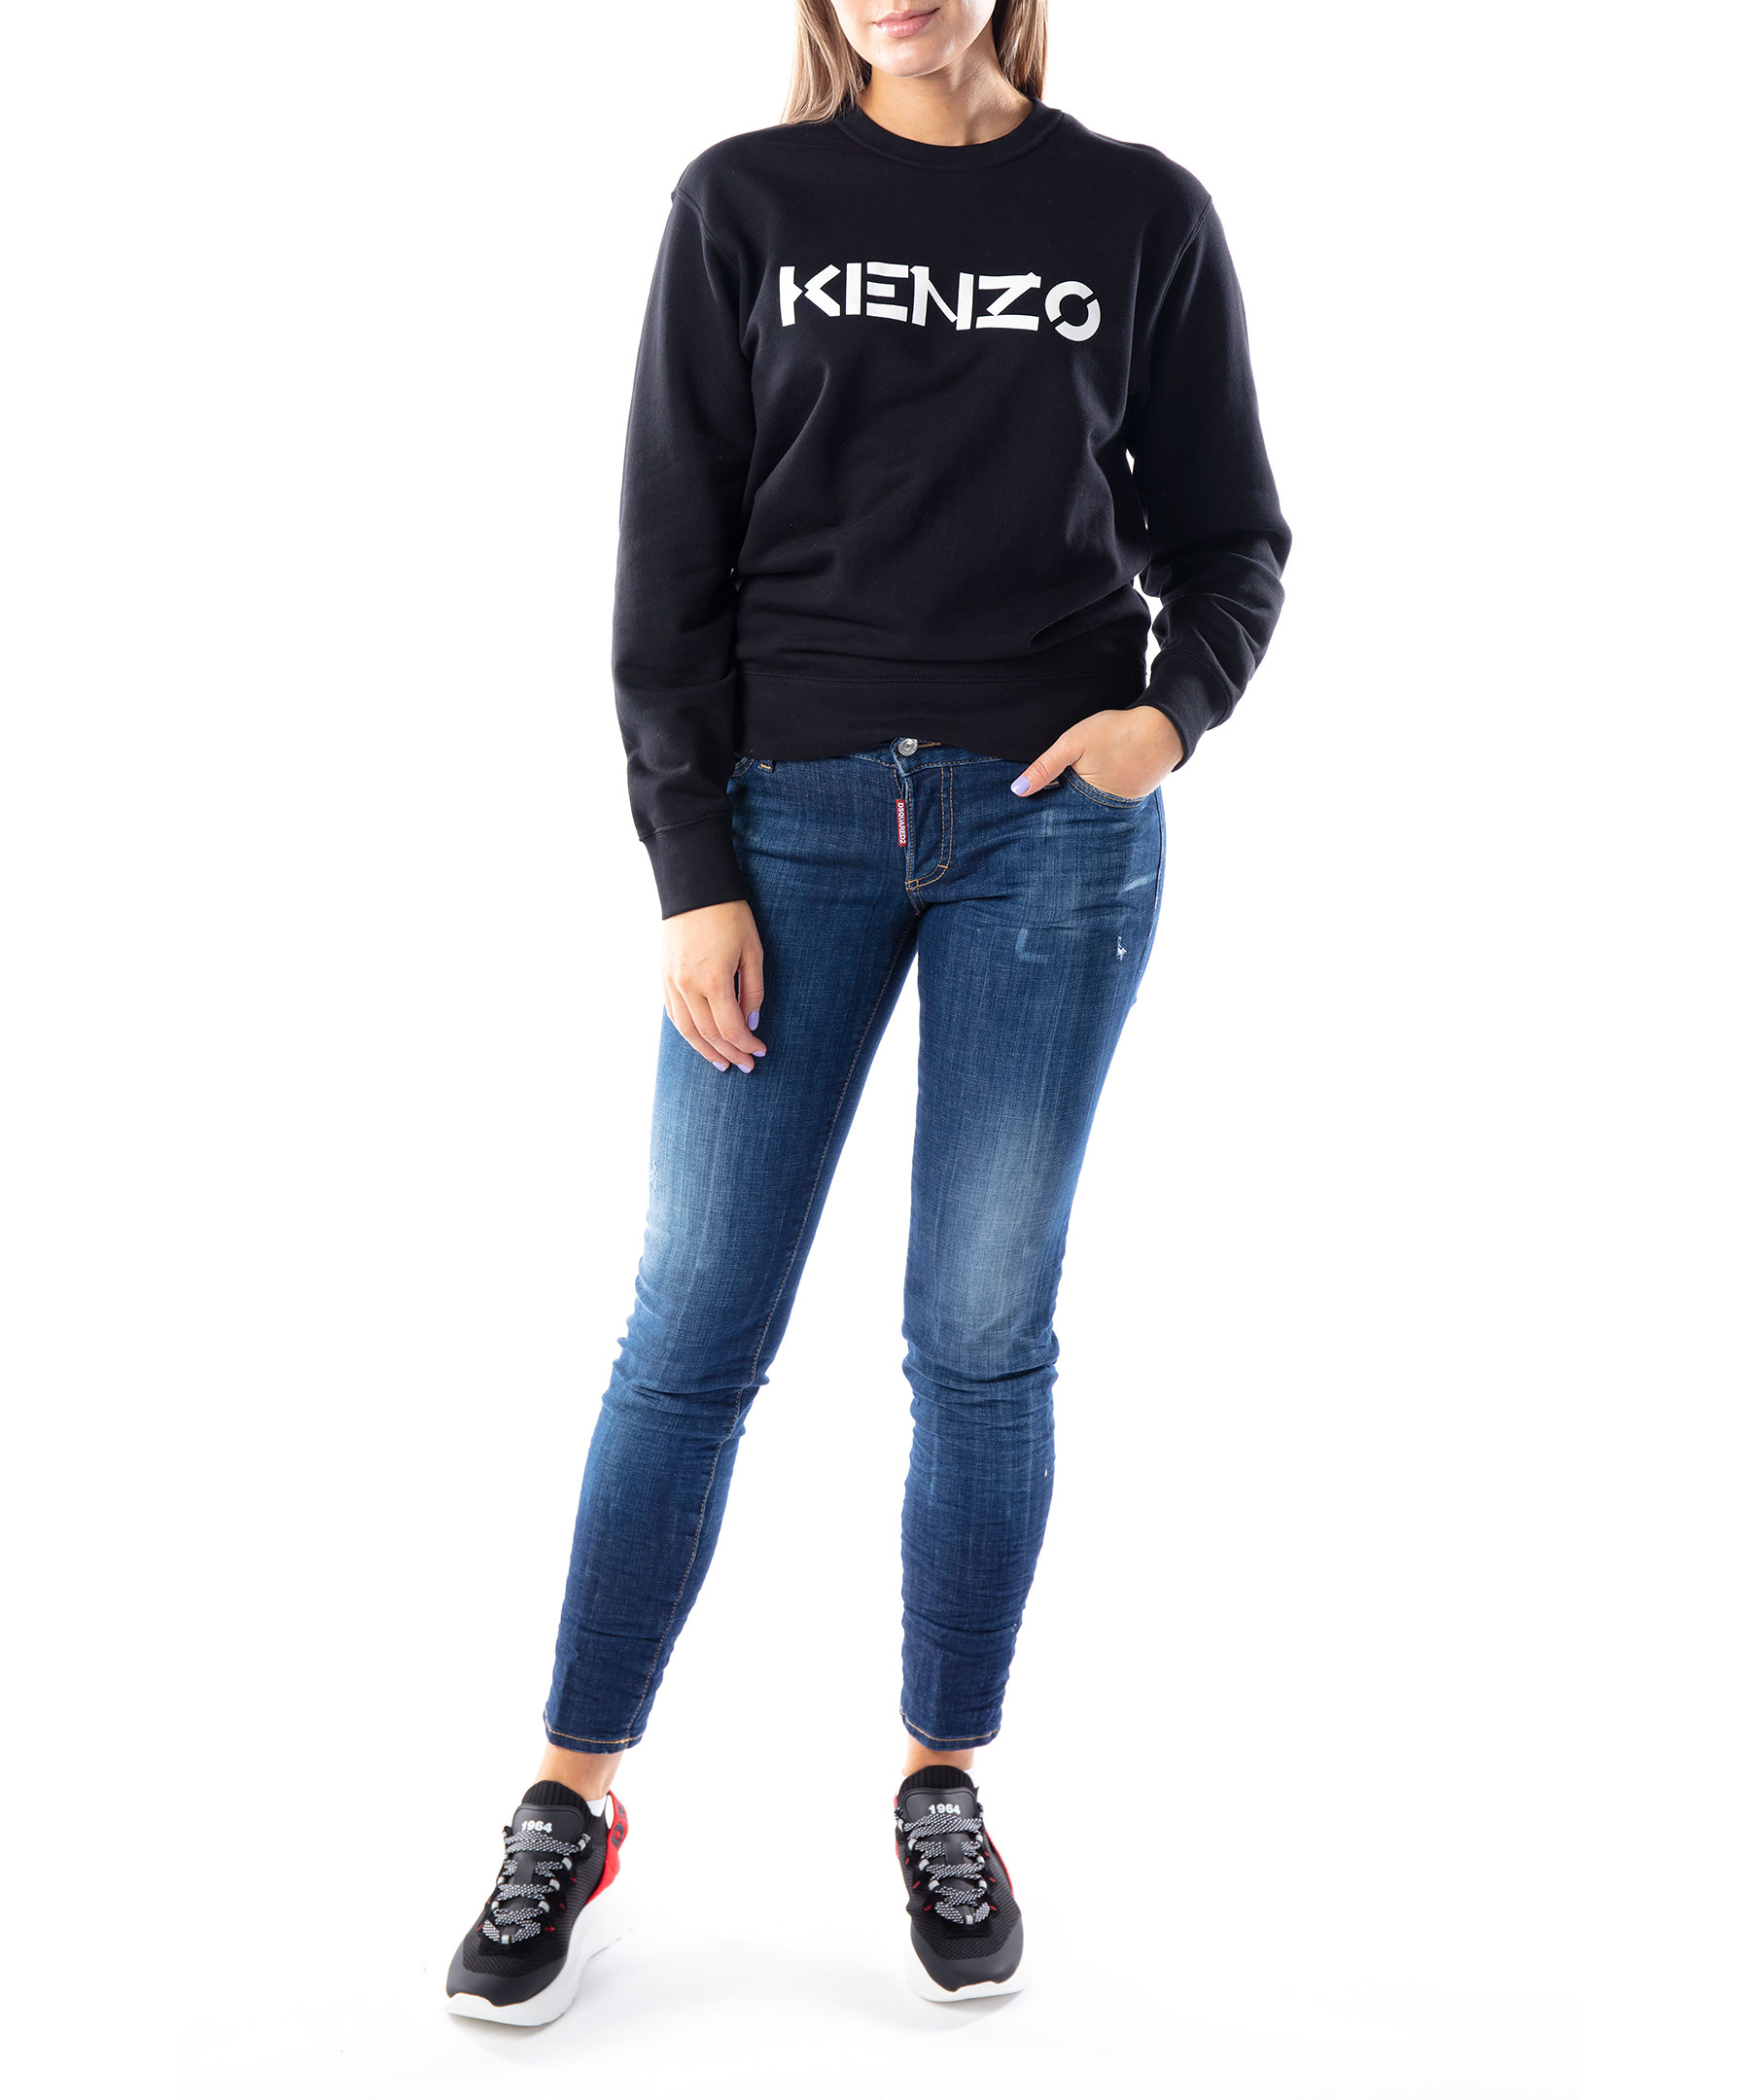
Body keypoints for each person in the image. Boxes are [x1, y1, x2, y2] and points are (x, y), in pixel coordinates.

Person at [445, 0, 1289, 2023]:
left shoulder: (1139, 213)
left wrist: (1169, 718)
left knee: (981, 1332)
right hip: (787, 824)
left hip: (1048, 833)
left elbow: (1232, 538)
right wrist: (690, 864)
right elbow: (666, 556)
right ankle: (571, 1796)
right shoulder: (745, 202)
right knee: (691, 1326)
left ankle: (942, 1781)